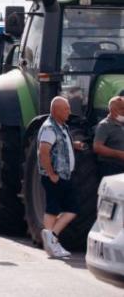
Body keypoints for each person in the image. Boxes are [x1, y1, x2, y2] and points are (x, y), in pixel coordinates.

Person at [37, 96, 85, 258]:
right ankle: (51, 239)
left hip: (64, 175)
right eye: (66, 109)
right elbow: (43, 152)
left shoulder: (62, 126)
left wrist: (74, 145)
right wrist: (51, 174)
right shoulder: (49, 128)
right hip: (55, 176)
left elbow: (60, 145)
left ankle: (51, 238)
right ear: (56, 111)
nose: (69, 112)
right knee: (55, 209)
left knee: (69, 209)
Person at [93, 96, 124, 176]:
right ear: (113, 110)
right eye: (122, 109)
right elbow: (97, 147)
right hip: (111, 167)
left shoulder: (122, 124)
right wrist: (118, 154)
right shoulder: (104, 126)